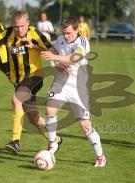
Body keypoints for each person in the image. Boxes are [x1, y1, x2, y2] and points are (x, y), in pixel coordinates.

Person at [0, 10, 62, 155]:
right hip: (19, 81)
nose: (19, 29)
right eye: (16, 26)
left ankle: (15, 141)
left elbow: (54, 51)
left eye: (22, 26)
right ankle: (55, 139)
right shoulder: (7, 33)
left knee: (16, 99)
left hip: (35, 76)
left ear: (28, 23)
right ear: (12, 25)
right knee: (33, 118)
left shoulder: (35, 33)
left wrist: (34, 46)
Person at [41, 16, 106, 167]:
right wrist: (56, 62)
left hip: (78, 87)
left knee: (84, 124)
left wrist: (55, 58)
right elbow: (51, 50)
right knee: (50, 108)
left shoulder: (82, 41)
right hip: (60, 82)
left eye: (69, 33)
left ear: (77, 30)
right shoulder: (60, 39)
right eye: (64, 33)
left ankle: (101, 157)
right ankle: (53, 143)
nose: (66, 36)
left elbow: (75, 57)